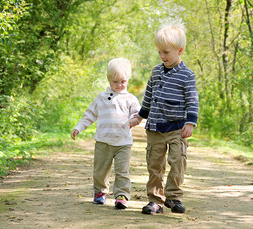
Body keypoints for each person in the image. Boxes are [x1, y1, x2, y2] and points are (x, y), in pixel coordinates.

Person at [133, 22, 199, 215]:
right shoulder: (156, 72)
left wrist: (190, 122)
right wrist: (139, 116)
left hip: (177, 128)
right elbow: (148, 96)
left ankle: (173, 196)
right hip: (154, 127)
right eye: (159, 52)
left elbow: (192, 100)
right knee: (154, 164)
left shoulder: (187, 75)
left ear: (180, 51)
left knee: (178, 160)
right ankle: (155, 201)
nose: (162, 56)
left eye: (166, 52)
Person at [71, 58, 141, 210]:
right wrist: (79, 127)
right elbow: (89, 115)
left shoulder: (130, 99)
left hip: (123, 143)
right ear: (109, 79)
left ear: (128, 79)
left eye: (123, 81)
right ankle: (100, 192)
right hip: (103, 142)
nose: (119, 85)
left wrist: (134, 120)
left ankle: (122, 195)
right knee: (100, 170)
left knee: (122, 171)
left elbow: (138, 114)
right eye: (115, 81)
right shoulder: (101, 98)